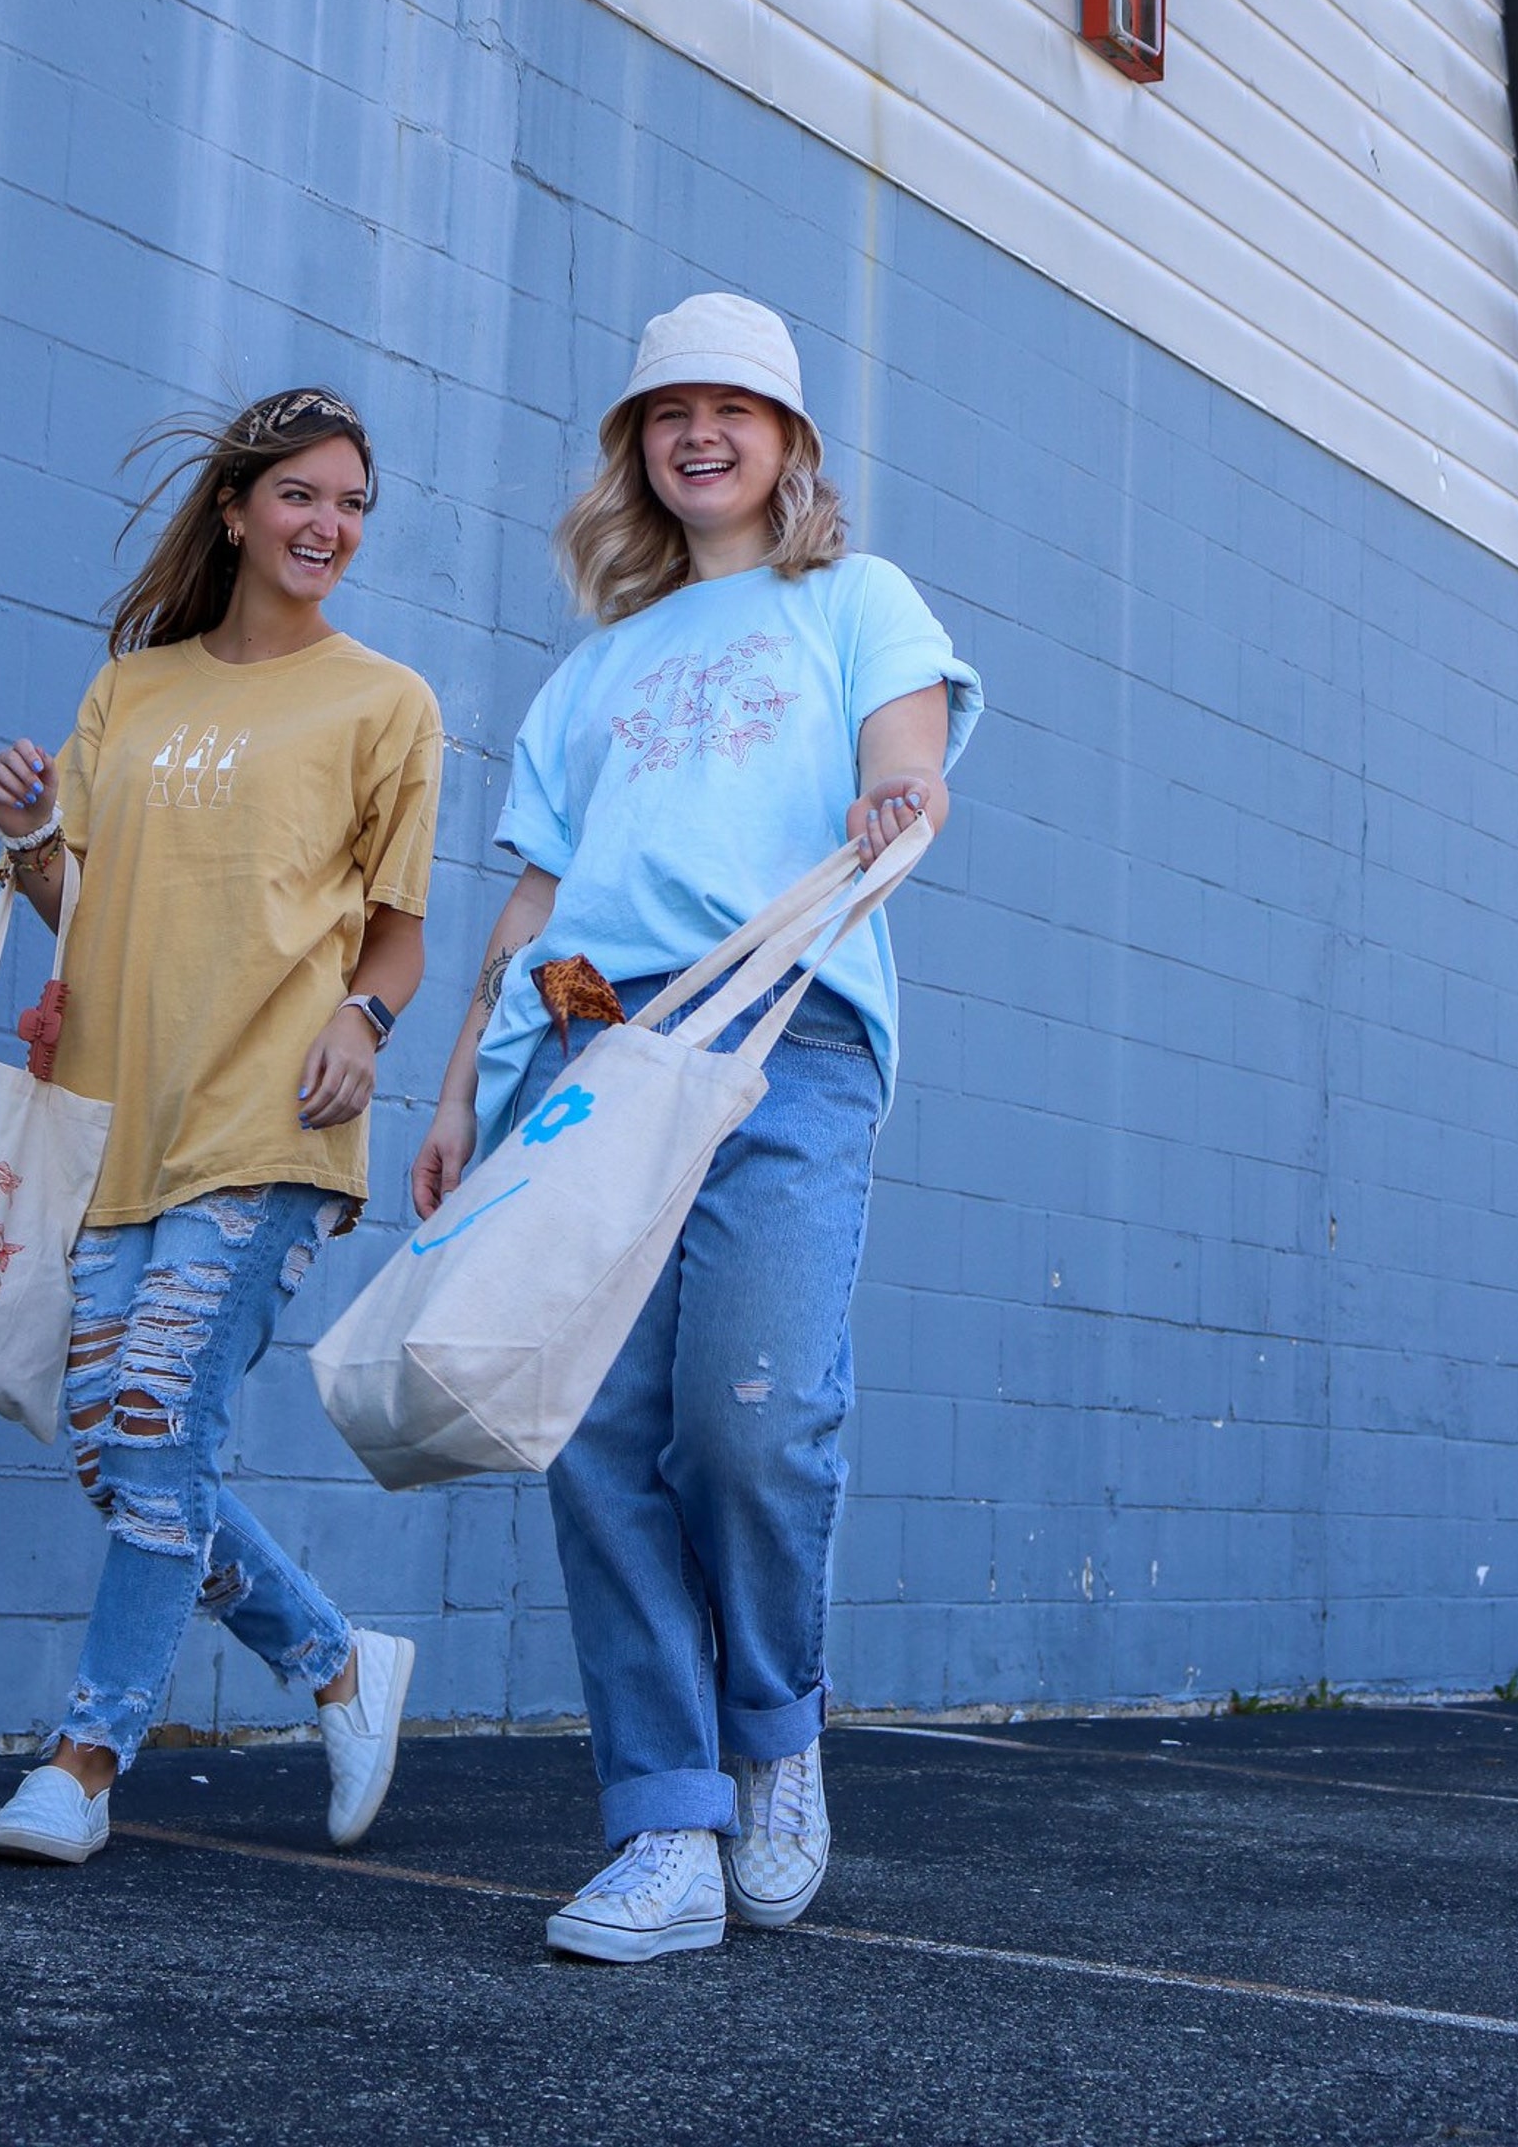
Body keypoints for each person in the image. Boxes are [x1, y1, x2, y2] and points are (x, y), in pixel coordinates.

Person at [413, 295, 981, 1962]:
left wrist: (900, 804)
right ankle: (664, 1818)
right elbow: (529, 903)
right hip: (590, 1048)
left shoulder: (856, 599)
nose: (701, 432)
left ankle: (775, 1725)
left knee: (754, 1416)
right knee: (591, 1438)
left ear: (791, 441)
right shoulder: (592, 669)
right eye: (671, 410)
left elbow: (911, 760)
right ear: (636, 447)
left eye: (737, 407)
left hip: (785, 1028)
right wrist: (461, 1090)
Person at [0, 387, 442, 1867]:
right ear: (238, 508)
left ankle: (86, 1753)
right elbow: (79, 921)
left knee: (159, 1421)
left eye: (354, 503)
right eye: (302, 495)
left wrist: (361, 1029)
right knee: (121, 1461)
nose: (329, 527)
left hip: (272, 1120)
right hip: (120, 1117)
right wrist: (31, 835)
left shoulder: (386, 702)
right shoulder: (133, 692)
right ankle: (338, 1662)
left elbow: (399, 938)